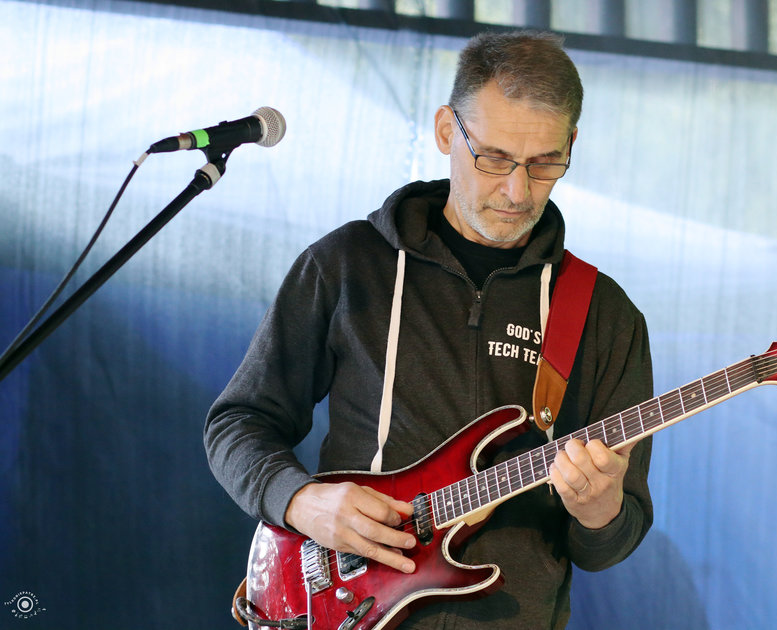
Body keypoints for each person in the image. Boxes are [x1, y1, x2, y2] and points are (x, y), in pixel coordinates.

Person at [205, 30, 653, 629]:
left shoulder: (604, 315)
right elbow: (238, 422)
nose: (517, 190)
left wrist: (601, 512)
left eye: (545, 163)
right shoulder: (347, 264)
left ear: (571, 142)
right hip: (345, 610)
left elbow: (610, 543)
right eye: (494, 158)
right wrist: (300, 501)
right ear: (446, 131)